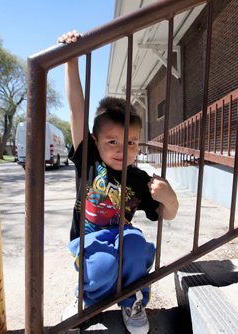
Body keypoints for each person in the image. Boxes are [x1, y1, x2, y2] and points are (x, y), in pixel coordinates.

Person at [59, 30, 179, 334]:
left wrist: (170, 197)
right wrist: (71, 62)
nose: (120, 149)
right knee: (101, 268)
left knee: (138, 247)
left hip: (120, 234)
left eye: (131, 143)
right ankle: (85, 300)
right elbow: (76, 108)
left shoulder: (139, 178)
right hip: (88, 238)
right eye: (112, 141)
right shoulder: (89, 158)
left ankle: (132, 301)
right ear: (95, 140)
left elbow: (166, 214)